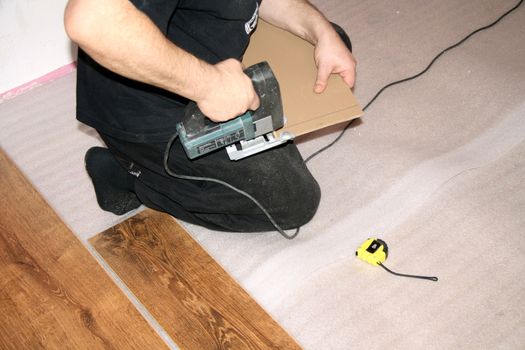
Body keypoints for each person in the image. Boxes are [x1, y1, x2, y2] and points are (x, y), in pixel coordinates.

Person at [64, 0, 357, 233]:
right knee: (292, 200)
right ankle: (131, 174)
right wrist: (210, 86)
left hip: (215, 59)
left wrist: (320, 31)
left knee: (327, 46)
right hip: (145, 103)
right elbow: (91, 19)